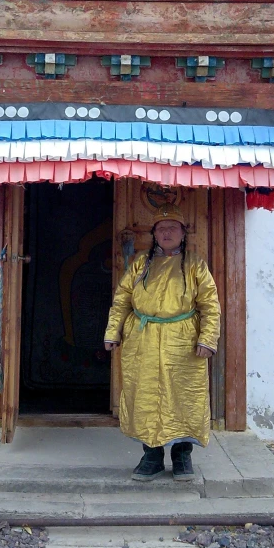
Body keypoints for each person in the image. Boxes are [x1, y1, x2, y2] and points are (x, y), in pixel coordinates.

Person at [104, 203, 221, 481]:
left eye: (172, 228)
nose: (166, 233)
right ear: (154, 233)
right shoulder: (140, 264)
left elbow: (210, 305)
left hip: (183, 341)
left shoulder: (195, 265)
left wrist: (207, 338)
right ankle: (152, 456)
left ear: (183, 233)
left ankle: (182, 457)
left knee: (183, 398)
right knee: (145, 397)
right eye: (161, 228)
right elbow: (122, 300)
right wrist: (113, 331)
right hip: (142, 339)